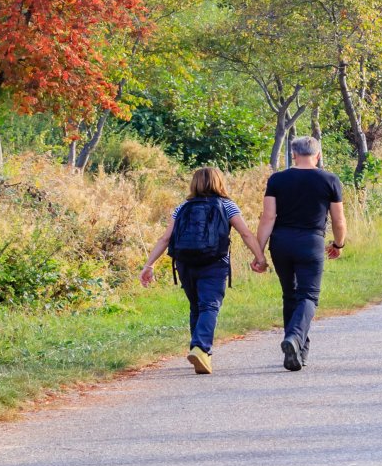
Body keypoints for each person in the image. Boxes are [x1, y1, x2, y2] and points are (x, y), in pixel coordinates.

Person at [140, 166, 268, 375]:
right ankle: (201, 347)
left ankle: (200, 352)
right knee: (210, 306)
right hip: (215, 262)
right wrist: (260, 258)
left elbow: (165, 238)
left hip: (185, 263)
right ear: (219, 182)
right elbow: (245, 233)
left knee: (196, 306)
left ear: (194, 183)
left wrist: (149, 264)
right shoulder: (227, 205)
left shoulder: (182, 207)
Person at [254, 136, 347, 372]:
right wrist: (339, 243)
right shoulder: (329, 180)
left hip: (281, 242)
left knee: (290, 295)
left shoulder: (277, 179)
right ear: (317, 155)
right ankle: (295, 337)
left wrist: (259, 252)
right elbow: (338, 219)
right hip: (311, 242)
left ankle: (297, 354)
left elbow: (268, 217)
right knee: (308, 296)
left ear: (293, 154)